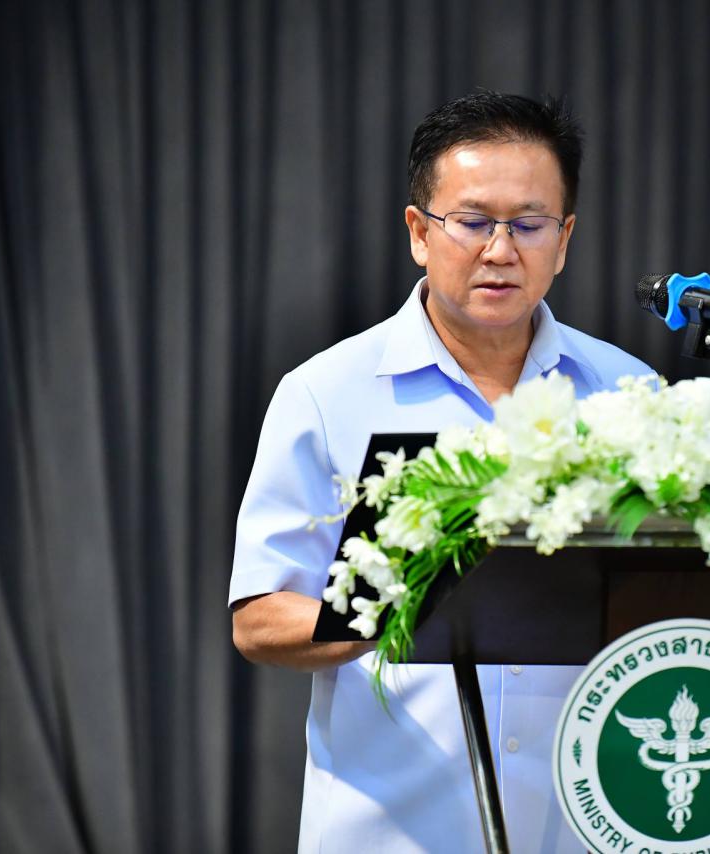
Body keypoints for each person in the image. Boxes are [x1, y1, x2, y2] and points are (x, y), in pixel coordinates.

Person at [229, 91, 651, 853]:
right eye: (473, 222)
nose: (501, 250)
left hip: (586, 824)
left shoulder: (629, 394)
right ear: (420, 233)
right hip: (394, 831)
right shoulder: (327, 392)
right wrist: (395, 605)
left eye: (529, 224)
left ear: (564, 239)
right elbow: (259, 619)